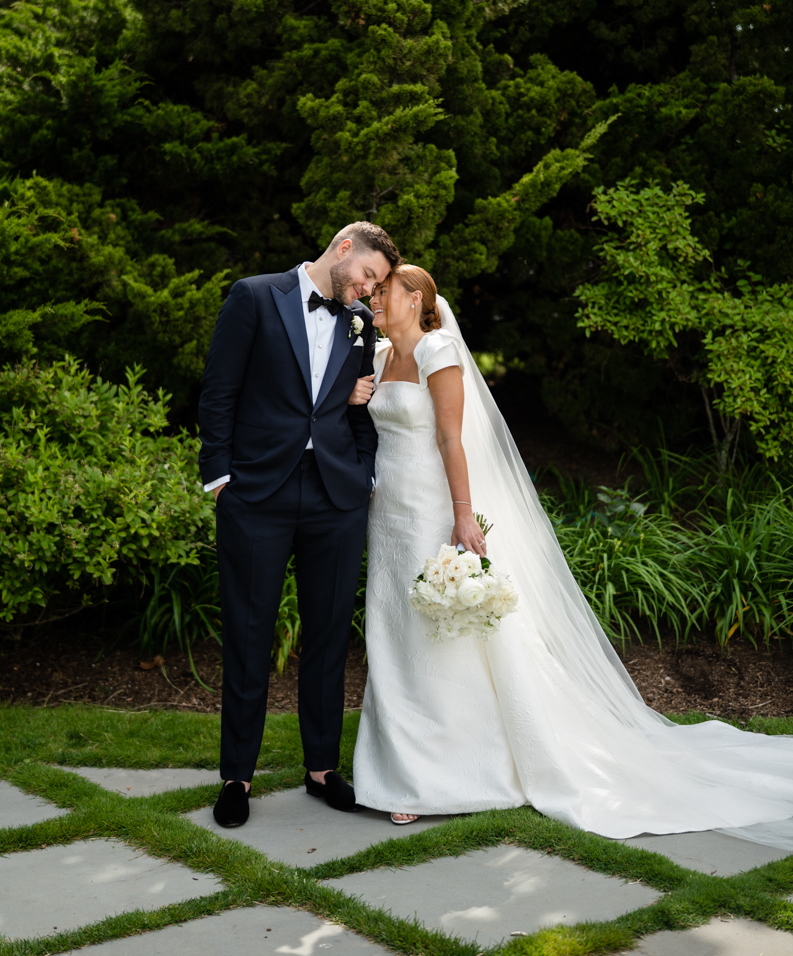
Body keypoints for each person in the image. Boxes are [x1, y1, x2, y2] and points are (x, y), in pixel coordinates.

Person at [350, 264, 793, 845]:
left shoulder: (439, 349)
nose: (373, 299)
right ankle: (399, 763)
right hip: (388, 515)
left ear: (417, 299)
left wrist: (462, 512)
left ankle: (445, 770)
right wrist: (356, 395)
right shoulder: (378, 357)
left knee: (444, 633)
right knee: (395, 629)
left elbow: (451, 438)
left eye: (384, 292)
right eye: (373, 291)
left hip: (433, 506)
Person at [198, 222, 400, 828]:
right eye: (368, 274)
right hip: (257, 493)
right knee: (249, 633)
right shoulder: (254, 297)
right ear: (344, 249)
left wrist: (362, 474)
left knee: (329, 635)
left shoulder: (357, 321)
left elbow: (359, 406)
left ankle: (321, 769)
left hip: (336, 497)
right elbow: (218, 391)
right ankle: (237, 776)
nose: (368, 289)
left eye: (378, 284)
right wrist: (219, 476)